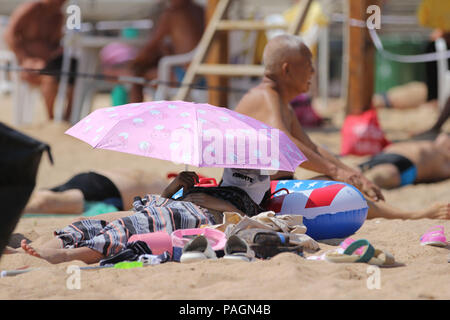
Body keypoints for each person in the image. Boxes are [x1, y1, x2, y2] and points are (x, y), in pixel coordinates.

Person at [234, 34, 449, 220]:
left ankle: (402, 213)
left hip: (272, 192)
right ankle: (409, 216)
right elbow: (284, 143)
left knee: (344, 184)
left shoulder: (280, 104)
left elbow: (313, 147)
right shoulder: (264, 97)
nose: (313, 71)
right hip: (256, 201)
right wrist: (336, 172)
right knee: (341, 190)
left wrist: (352, 173)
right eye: (308, 65)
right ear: (287, 70)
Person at [18, 169, 269, 264]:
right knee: (86, 225)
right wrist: (176, 186)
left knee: (119, 234)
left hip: (182, 217)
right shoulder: (210, 189)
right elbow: (165, 199)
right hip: (164, 210)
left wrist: (219, 203)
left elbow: (249, 219)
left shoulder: (245, 203)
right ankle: (32, 252)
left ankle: (64, 256)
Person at [4, 0, 76, 120]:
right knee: (49, 78)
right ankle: (51, 118)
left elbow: (55, 44)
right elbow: (9, 35)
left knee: (74, 73)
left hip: (48, 63)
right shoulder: (31, 9)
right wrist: (24, 59)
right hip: (28, 63)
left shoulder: (58, 16)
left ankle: (66, 118)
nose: (60, 3)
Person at [128, 0, 204, 102]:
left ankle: (135, 112)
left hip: (187, 76)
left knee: (137, 75)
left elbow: (152, 44)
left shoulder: (173, 14)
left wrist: (135, 63)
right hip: (204, 73)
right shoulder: (200, 10)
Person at [23, 169, 168, 214]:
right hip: (107, 189)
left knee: (47, 197)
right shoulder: (175, 189)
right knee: (45, 203)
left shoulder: (161, 180)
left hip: (98, 180)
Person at [359, 133, 450, 189]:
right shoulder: (440, 141)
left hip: (407, 166)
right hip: (386, 154)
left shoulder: (446, 166)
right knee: (353, 172)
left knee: (376, 177)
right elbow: (443, 137)